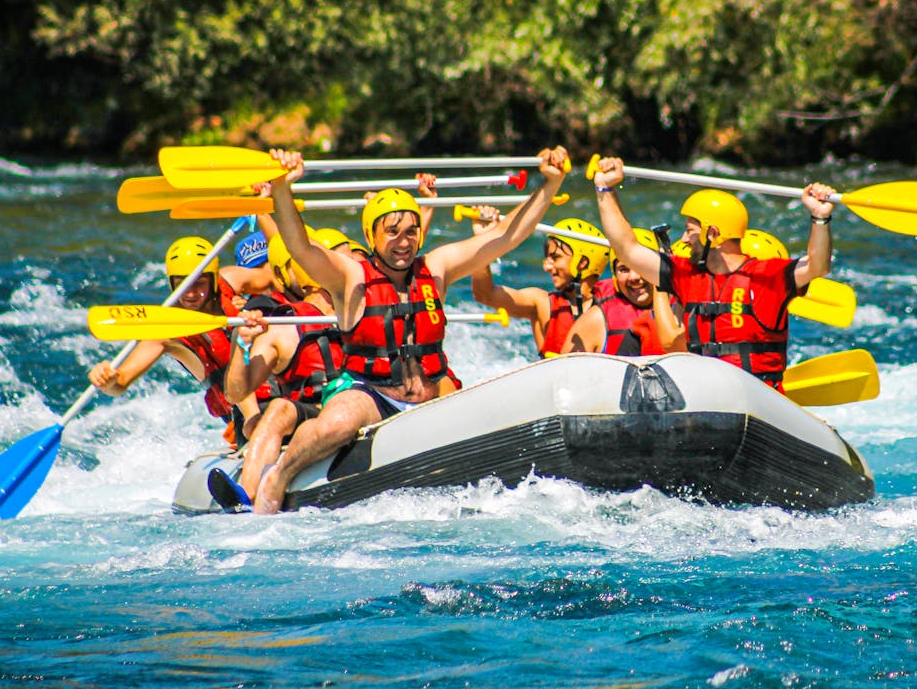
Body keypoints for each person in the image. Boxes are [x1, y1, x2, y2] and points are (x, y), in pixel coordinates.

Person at [251, 145, 572, 513]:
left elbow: (503, 238)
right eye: (392, 232)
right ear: (371, 236)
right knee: (336, 424)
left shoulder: (436, 268)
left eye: (410, 231)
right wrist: (282, 189)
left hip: (429, 394)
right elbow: (300, 246)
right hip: (372, 395)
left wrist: (550, 183)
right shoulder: (350, 276)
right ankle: (279, 473)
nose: (403, 241)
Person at [590, 156, 836, 392]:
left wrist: (820, 217)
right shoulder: (686, 275)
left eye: (690, 231)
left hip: (759, 399)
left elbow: (818, 266)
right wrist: (605, 189)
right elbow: (626, 248)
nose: (684, 239)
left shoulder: (766, 275)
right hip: (707, 397)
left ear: (713, 234)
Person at [87, 237, 267, 446]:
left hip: (278, 385)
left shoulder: (232, 280)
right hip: (243, 416)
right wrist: (109, 381)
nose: (190, 293)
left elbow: (279, 280)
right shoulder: (167, 332)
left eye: (198, 283)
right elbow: (121, 382)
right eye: (181, 284)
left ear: (215, 280)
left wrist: (255, 302)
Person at [215, 229, 344, 508]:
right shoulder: (277, 321)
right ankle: (247, 495)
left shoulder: (356, 298)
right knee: (279, 410)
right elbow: (236, 392)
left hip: (360, 401)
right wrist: (242, 345)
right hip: (313, 411)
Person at [470, 213, 609, 357]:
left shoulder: (612, 306)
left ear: (582, 263)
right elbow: (485, 294)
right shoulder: (542, 304)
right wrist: (482, 239)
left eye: (555, 258)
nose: (546, 267)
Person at [561, 227, 683, 356]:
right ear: (615, 276)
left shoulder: (681, 309)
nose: (634, 277)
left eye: (641, 266)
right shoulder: (596, 320)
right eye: (623, 269)